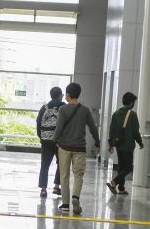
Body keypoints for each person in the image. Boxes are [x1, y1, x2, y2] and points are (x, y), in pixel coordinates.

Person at [51, 83, 100, 214]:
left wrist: (53, 141)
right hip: (79, 148)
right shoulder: (85, 110)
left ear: (67, 95)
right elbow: (93, 128)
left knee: (64, 175)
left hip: (64, 147)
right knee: (78, 174)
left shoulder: (63, 110)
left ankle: (65, 204)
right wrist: (97, 142)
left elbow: (59, 128)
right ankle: (75, 197)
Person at [106, 92, 143, 195]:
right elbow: (136, 132)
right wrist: (140, 143)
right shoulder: (132, 114)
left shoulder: (116, 113)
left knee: (121, 166)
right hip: (128, 145)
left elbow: (112, 130)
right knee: (128, 167)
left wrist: (111, 144)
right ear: (131, 103)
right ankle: (115, 181)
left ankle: (121, 188)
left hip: (119, 144)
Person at [36, 87, 65, 197]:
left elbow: (38, 123)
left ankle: (43, 189)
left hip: (46, 140)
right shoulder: (63, 107)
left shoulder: (44, 107)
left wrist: (42, 137)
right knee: (61, 163)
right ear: (60, 95)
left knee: (44, 165)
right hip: (59, 141)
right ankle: (57, 186)